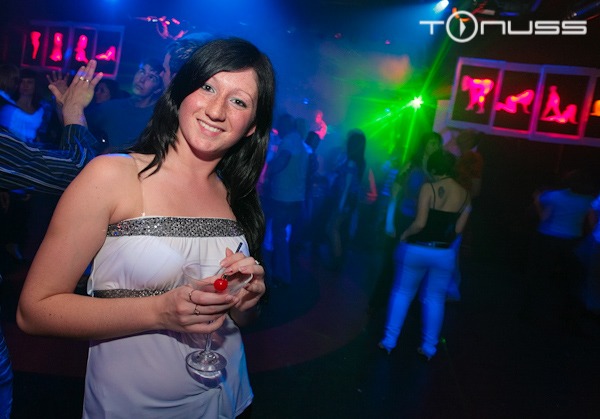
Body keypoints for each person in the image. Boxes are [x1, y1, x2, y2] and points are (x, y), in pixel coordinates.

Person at [17, 37, 273, 418]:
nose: (217, 110)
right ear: (182, 90)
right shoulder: (112, 176)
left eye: (239, 101)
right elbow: (34, 311)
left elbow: (237, 319)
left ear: (252, 126)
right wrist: (158, 311)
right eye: (208, 87)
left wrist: (247, 302)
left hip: (232, 402)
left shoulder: (238, 195)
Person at [379, 149, 471, 360]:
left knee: (403, 293)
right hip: (444, 253)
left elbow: (420, 223)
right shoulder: (466, 195)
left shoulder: (428, 188)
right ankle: (429, 348)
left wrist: (405, 234)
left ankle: (389, 341)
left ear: (434, 168)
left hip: (417, 248)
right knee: (435, 299)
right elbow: (458, 230)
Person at [263, 113, 309, 286]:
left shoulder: (289, 141)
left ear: (285, 125)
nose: (277, 129)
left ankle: (281, 276)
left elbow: (283, 159)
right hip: (294, 198)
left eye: (279, 125)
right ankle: (282, 273)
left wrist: (269, 171)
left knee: (278, 238)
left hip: (284, 198)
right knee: (281, 237)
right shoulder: (300, 142)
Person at [86, 57, 164, 152]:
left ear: (158, 89)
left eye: (151, 77)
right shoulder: (111, 107)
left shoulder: (157, 119)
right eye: (142, 72)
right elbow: (81, 129)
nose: (142, 80)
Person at [326, 128, 367, 270]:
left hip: (345, 199)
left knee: (332, 228)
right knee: (339, 229)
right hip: (350, 199)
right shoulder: (360, 161)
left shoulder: (351, 162)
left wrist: (341, 204)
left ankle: (337, 260)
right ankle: (338, 259)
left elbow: (346, 187)